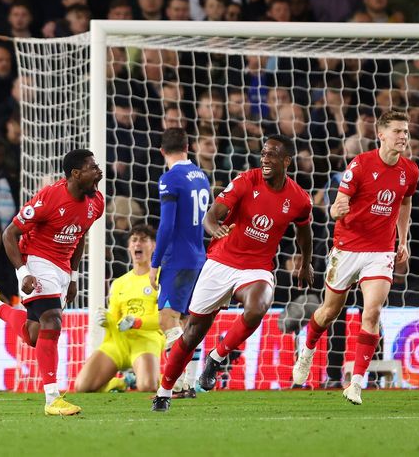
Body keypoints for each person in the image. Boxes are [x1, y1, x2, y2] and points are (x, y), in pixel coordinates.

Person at [153, 135, 313, 412]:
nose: (265, 159)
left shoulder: (299, 199)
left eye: (272, 154)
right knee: (192, 333)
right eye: (263, 153)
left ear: (286, 161)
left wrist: (306, 262)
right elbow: (211, 215)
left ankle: (217, 357)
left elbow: (304, 230)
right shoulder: (245, 181)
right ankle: (164, 390)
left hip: (257, 267)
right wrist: (214, 228)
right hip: (221, 261)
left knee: (258, 305)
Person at [0, 149, 105, 416]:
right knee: (52, 320)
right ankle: (52, 399)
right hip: (36, 259)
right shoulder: (50, 197)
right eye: (93, 168)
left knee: (34, 335)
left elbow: (80, 234)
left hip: (61, 266)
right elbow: (9, 233)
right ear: (75, 174)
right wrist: (23, 272)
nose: (99, 172)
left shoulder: (97, 203)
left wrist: (73, 276)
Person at [293, 111, 418, 405]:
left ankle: (356, 384)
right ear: (382, 135)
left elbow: (405, 201)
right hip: (347, 248)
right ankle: (308, 349)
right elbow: (339, 203)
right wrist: (337, 210)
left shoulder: (409, 171)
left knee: (372, 312)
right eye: (398, 131)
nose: (403, 136)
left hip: (381, 251)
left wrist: (403, 240)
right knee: (328, 312)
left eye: (406, 132)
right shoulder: (360, 165)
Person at [148, 127, 210, 398]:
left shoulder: (170, 179)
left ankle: (179, 382)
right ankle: (189, 383)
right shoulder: (201, 176)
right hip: (199, 256)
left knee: (167, 320)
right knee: (186, 323)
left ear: (162, 151)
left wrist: (155, 262)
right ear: (188, 146)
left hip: (178, 259)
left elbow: (167, 225)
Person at [75, 224, 163, 393]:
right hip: (118, 342)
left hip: (146, 340)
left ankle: (152, 379)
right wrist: (105, 319)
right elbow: (114, 319)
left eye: (144, 240)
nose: (138, 244)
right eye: (134, 240)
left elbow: (163, 320)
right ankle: (121, 383)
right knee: (82, 387)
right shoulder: (120, 283)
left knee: (147, 386)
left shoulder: (160, 278)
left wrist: (136, 322)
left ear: (154, 246)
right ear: (129, 246)